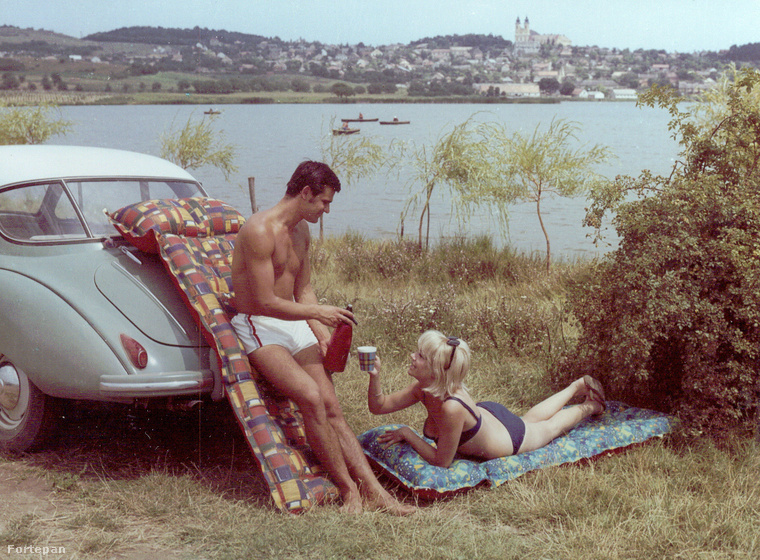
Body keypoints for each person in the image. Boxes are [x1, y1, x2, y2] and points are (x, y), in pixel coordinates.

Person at [230, 160, 415, 515]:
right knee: (312, 398)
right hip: (260, 324)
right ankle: (349, 491)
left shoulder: (301, 232)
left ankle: (375, 491)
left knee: (332, 405)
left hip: (294, 321)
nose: (327, 209)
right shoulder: (259, 230)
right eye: (324, 202)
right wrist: (317, 314)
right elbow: (266, 301)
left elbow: (305, 289)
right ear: (305, 193)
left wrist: (322, 331)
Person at [366, 330, 606, 468]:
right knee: (530, 420)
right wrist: (374, 376)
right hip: (491, 417)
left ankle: (590, 405)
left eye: (419, 355)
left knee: (549, 427)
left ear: (435, 369)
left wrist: (408, 434)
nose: (412, 356)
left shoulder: (451, 407)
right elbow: (379, 406)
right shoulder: (425, 387)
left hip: (508, 439)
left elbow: (442, 462)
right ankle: (577, 386)